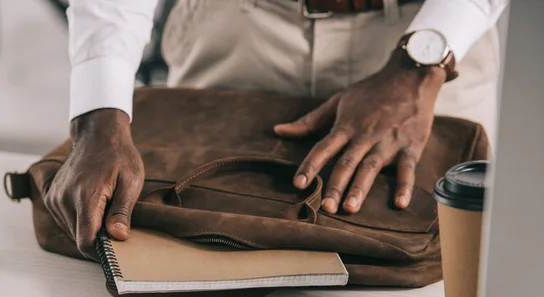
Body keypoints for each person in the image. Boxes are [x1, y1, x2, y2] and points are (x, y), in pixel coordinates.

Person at [48, 0, 508, 258]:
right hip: (237, 27)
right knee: (186, 252)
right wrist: (98, 112)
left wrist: (423, 61)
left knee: (452, 267)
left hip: (427, 37)